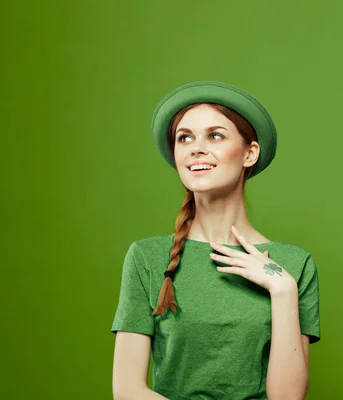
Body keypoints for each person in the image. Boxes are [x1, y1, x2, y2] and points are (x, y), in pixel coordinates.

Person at [110, 81, 321, 400]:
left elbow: (287, 398)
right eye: (184, 138)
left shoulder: (293, 265)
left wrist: (282, 289)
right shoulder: (147, 257)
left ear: (249, 153)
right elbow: (127, 390)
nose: (196, 148)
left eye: (215, 135)